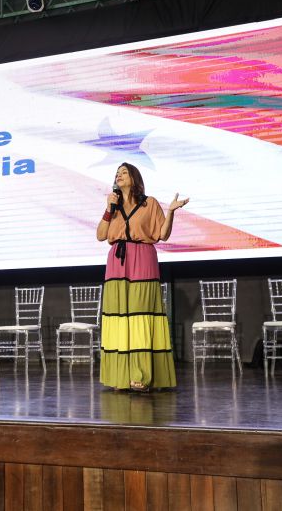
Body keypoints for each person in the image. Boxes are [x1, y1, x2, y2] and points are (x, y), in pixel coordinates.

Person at [96, 162, 188, 392]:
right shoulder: (113, 206)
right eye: (117, 173)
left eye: (124, 172)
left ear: (134, 178)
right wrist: (109, 208)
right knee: (119, 318)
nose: (119, 176)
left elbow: (162, 234)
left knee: (140, 317)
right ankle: (120, 376)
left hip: (143, 257)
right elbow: (101, 235)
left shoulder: (150, 203)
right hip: (117, 262)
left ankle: (141, 375)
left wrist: (171, 212)